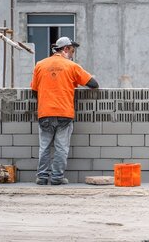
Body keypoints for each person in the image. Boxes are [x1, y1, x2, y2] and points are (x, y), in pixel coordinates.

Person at [31, 37, 99, 185]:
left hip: (45, 113)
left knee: (45, 147)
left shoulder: (40, 65)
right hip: (64, 113)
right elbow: (93, 84)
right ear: (65, 49)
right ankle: (56, 178)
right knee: (61, 148)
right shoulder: (71, 66)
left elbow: (35, 91)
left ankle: (42, 177)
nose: (73, 54)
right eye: (72, 50)